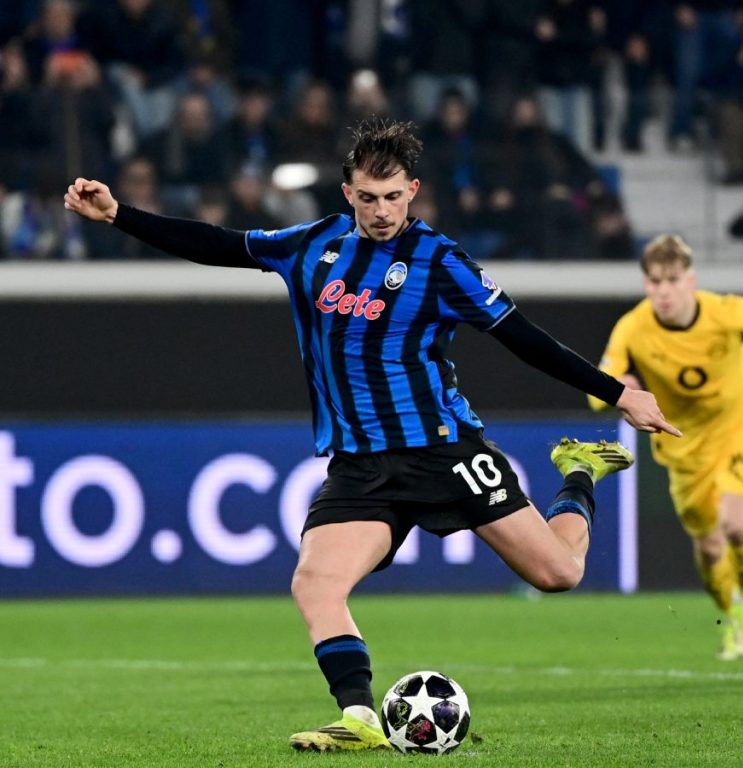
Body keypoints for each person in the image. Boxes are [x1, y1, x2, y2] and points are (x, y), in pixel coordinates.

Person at [63, 118, 680, 750]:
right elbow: (219, 244)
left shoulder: (441, 262)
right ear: (347, 193)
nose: (381, 211)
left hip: (443, 450)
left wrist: (619, 394)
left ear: (413, 191)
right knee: (314, 583)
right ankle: (359, 718)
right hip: (361, 465)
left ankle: (579, 470)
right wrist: (119, 216)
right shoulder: (312, 244)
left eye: (392, 197)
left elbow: (524, 339)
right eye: (367, 197)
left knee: (558, 574)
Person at [589, 233, 743, 659]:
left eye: (672, 280)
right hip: (683, 445)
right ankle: (731, 616)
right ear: (646, 284)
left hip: (738, 425)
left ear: (690, 280)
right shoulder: (632, 328)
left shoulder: (725, 312)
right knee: (708, 549)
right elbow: (595, 392)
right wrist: (617, 390)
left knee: (737, 524)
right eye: (655, 282)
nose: (664, 292)